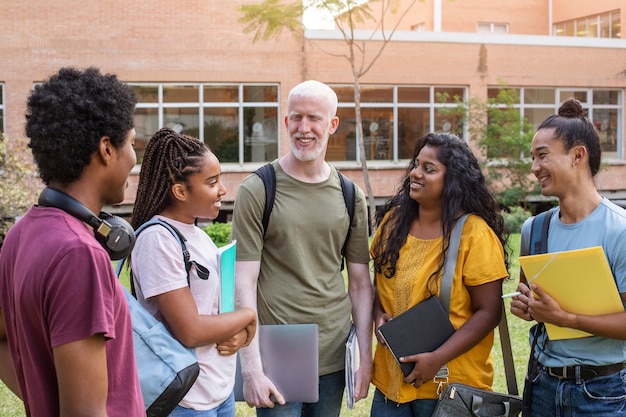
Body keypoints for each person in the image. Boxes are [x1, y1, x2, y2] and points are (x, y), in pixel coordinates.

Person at [0, 67, 144, 416]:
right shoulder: (78, 253)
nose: (133, 158)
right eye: (132, 144)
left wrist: (43, 396)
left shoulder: (20, 235)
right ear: (107, 148)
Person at [231, 80, 373, 417]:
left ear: (332, 125)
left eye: (314, 118)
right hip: (278, 349)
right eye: (296, 118)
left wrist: (364, 356)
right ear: (285, 122)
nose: (303, 128)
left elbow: (360, 283)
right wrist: (250, 367)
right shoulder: (258, 190)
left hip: (334, 350)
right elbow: (242, 283)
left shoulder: (351, 195)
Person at [370, 132, 510, 416]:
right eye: (416, 165)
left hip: (449, 389)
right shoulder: (392, 222)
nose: (415, 173)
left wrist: (437, 358)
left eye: (428, 169)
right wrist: (378, 315)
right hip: (390, 387)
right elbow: (378, 285)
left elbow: (489, 311)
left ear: (453, 180)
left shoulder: (474, 234)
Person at [510, 98, 626, 417]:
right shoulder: (534, 229)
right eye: (533, 158)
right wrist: (528, 308)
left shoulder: (620, 230)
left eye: (543, 156)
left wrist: (568, 319)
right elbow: (532, 303)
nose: (534, 168)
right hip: (542, 387)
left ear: (577, 155)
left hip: (603, 394)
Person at [130, 127, 257, 416]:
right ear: (180, 191)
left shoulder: (198, 234)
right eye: (212, 182)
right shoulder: (157, 239)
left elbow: (211, 311)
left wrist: (240, 335)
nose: (222, 189)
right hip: (186, 400)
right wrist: (249, 318)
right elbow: (190, 330)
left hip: (217, 391)